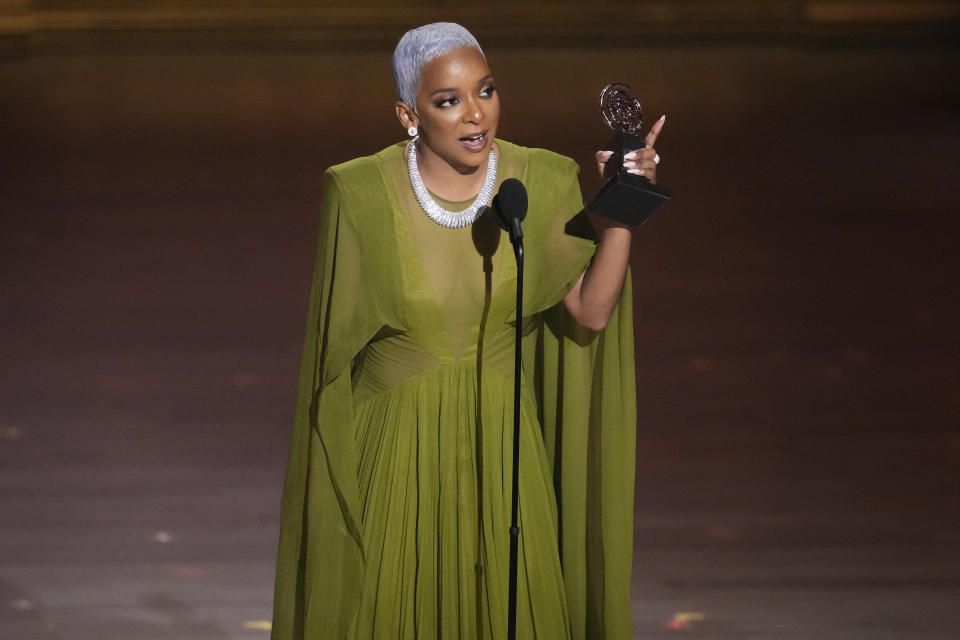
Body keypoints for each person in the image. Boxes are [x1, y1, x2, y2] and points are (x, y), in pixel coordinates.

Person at [271, 22, 663, 640]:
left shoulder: (541, 178)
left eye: (486, 91)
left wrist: (623, 202)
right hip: (395, 455)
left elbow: (590, 311)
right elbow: (331, 355)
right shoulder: (358, 191)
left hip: (505, 449)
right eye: (448, 100)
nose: (475, 114)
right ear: (409, 114)